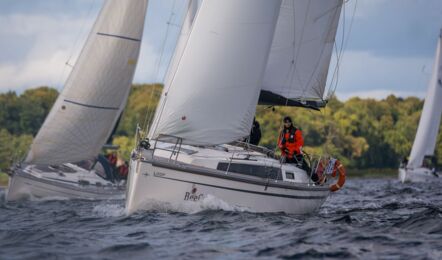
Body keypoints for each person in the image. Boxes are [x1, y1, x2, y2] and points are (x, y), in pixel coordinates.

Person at [277, 116, 315, 181]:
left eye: (289, 122)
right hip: (286, 156)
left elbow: (300, 144)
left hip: (296, 155)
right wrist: (282, 149)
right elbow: (279, 143)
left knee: (306, 168)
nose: (287, 123)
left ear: (291, 122)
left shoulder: (296, 132)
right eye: (286, 122)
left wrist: (295, 151)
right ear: (284, 123)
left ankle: (316, 180)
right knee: (278, 165)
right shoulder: (282, 132)